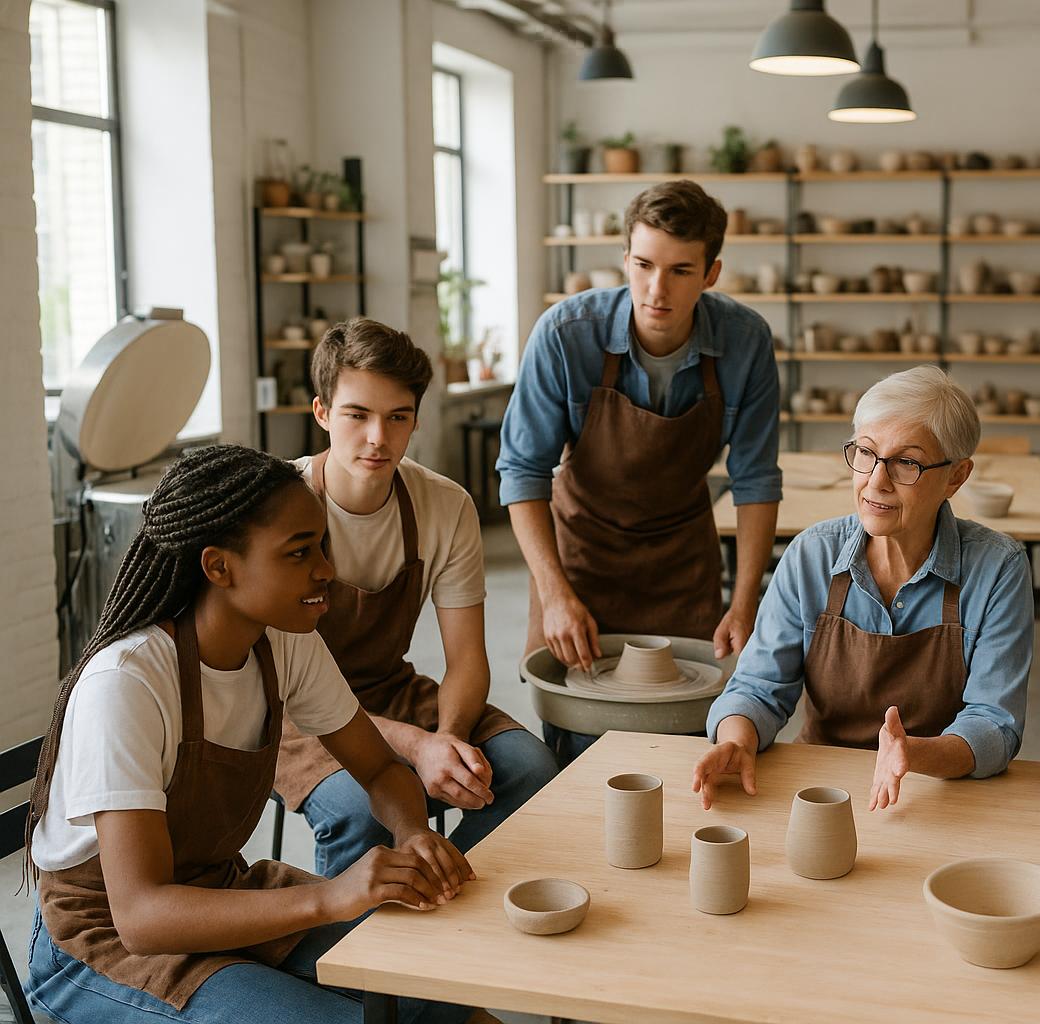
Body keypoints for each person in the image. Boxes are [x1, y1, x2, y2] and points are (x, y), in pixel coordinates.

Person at [25, 445, 493, 1023]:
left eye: (322, 544)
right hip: (101, 942)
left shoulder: (283, 641)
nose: (327, 569)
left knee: (444, 993)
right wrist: (328, 896)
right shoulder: (127, 683)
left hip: (221, 892)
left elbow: (379, 770)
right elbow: (142, 916)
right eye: (300, 552)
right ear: (219, 567)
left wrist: (412, 831)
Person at [498, 179, 782, 764]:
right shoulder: (564, 334)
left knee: (687, 743)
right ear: (624, 258)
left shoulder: (745, 341)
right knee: (578, 746)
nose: (657, 289)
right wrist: (553, 593)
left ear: (711, 273)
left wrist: (746, 598)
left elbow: (755, 480)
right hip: (580, 555)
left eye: (681, 270)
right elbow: (522, 471)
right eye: (644, 264)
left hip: (682, 559)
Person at [276, 318, 557, 878]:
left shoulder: (444, 506)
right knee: (364, 810)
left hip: (388, 691)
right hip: (285, 714)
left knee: (529, 769)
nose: (379, 438)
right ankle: (345, 955)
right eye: (357, 415)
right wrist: (414, 747)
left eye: (396, 417)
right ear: (323, 414)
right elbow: (283, 688)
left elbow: (468, 661)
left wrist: (447, 742)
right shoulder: (276, 506)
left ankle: (446, 896)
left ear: (415, 421)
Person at [693, 366, 1031, 811]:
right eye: (866, 453)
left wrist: (914, 754)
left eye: (906, 463)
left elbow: (994, 723)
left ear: (956, 477)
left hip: (937, 793)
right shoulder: (811, 556)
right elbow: (758, 687)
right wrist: (736, 740)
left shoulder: (997, 569)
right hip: (820, 786)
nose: (876, 480)